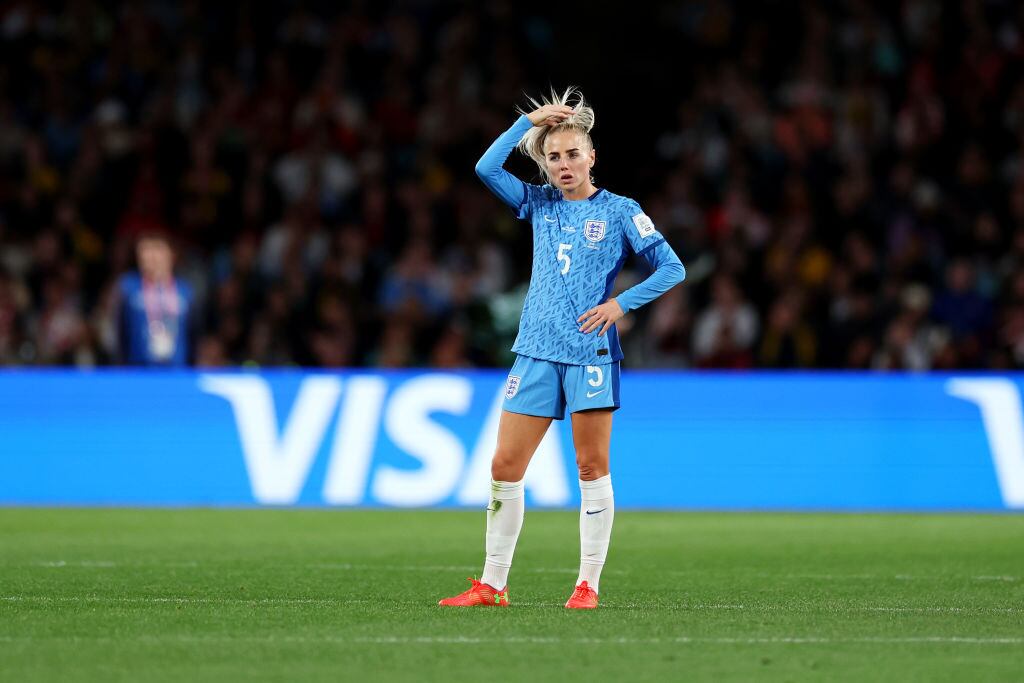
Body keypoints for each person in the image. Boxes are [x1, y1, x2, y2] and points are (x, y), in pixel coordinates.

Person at [439, 88, 685, 609]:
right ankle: (492, 585)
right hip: (535, 350)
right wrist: (527, 120)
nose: (564, 164)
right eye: (553, 157)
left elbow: (672, 268)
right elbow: (486, 168)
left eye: (573, 154)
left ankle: (587, 584)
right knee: (505, 465)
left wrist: (621, 304)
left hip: (590, 353)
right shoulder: (538, 203)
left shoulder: (621, 211)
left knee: (591, 467)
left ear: (592, 156)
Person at [116, 233, 195, 367]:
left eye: (156, 249)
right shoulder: (128, 287)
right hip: (138, 371)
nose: (149, 256)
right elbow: (120, 330)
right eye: (144, 250)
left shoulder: (185, 290)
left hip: (178, 371)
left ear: (171, 254)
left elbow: (194, 333)